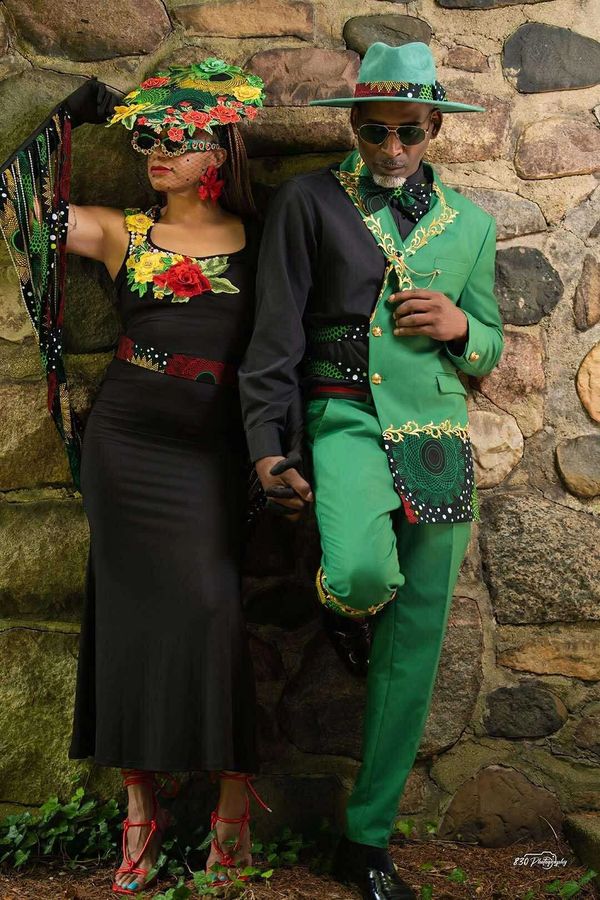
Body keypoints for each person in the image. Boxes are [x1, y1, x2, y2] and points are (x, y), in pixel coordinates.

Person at [239, 42, 504, 900]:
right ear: (353, 126)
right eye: (375, 131)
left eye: (409, 132)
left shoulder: (471, 224)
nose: (392, 148)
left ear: (435, 130)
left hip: (438, 435)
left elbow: (491, 345)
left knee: (416, 644)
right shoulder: (308, 200)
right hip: (344, 417)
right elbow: (274, 334)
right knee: (357, 573)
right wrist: (267, 444)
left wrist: (462, 328)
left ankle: (368, 839)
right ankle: (348, 610)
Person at [0, 59, 269, 896]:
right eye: (146, 136)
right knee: (127, 617)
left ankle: (232, 808)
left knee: (215, 610)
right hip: (126, 443)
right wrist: (65, 117)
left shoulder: (259, 239)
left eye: (174, 139)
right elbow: (11, 202)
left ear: (217, 152)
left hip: (214, 449)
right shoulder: (123, 231)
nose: (155, 150)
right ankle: (139, 817)